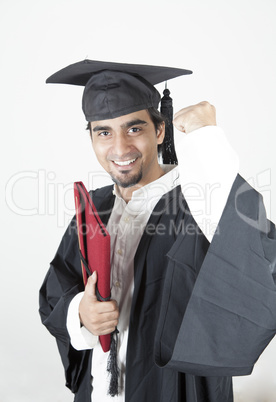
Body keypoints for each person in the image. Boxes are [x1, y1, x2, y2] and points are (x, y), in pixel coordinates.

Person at [39, 60, 276, 402]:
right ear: (91, 136)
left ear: (160, 130)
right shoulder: (96, 206)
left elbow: (257, 258)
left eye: (134, 129)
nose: (119, 148)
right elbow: (56, 285)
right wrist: (80, 311)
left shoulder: (199, 201)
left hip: (172, 390)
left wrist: (207, 139)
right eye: (103, 131)